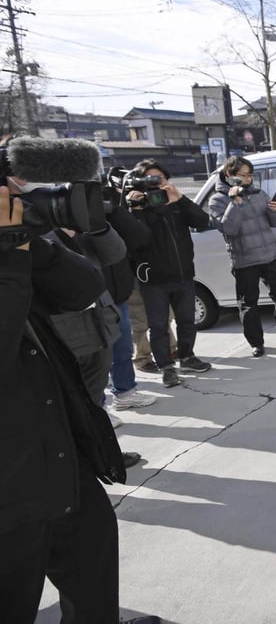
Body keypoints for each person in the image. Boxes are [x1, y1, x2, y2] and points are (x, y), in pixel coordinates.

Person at [0, 184, 126, 623]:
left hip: (58, 461)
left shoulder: (13, 246)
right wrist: (10, 257)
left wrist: (30, 241)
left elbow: (83, 288)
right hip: (8, 494)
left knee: (93, 587)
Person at [206, 156, 276, 357]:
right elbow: (228, 228)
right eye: (242, 175)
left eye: (249, 175)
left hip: (269, 254)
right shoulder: (217, 199)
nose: (247, 179)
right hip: (244, 259)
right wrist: (235, 202)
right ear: (229, 175)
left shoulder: (258, 193)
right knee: (248, 304)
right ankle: (256, 343)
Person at [126, 159, 213, 388]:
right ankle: (166, 367)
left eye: (160, 179)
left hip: (183, 274)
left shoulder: (177, 203)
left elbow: (203, 221)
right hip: (154, 279)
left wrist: (181, 200)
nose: (157, 183)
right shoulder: (139, 208)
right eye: (150, 179)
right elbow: (136, 240)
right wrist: (135, 209)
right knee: (158, 326)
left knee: (187, 321)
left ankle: (187, 357)